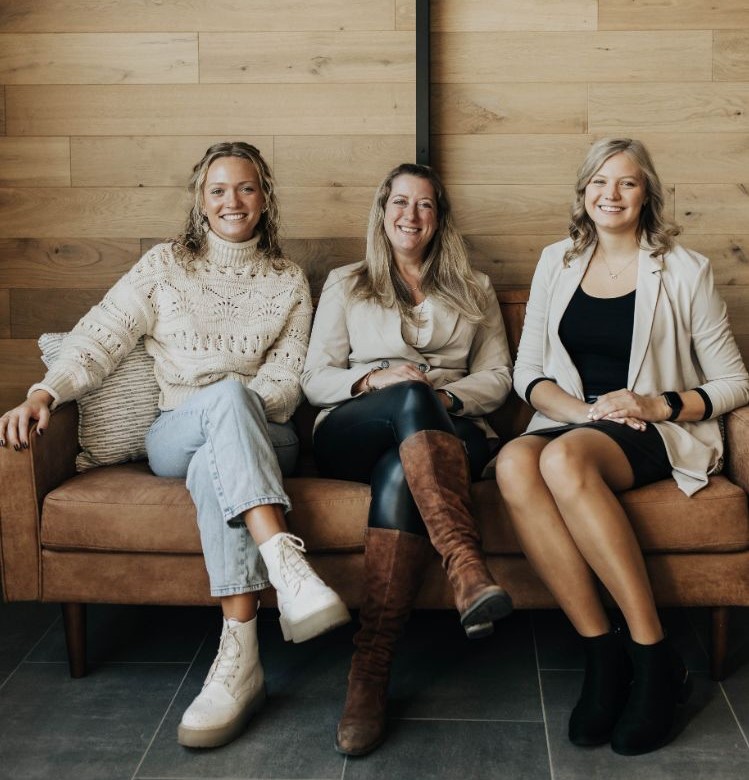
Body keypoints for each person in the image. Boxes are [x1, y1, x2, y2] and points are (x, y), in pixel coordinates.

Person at [0, 141, 350, 749]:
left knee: (223, 439)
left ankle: (238, 661)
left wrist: (229, 406)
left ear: (264, 199)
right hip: (173, 432)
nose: (231, 201)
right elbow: (101, 336)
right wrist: (45, 394)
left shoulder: (287, 279)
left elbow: (287, 384)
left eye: (245, 188)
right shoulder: (165, 267)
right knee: (220, 411)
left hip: (265, 435)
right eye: (218, 190)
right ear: (200, 201)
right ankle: (285, 565)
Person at [494, 137, 749, 756]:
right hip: (575, 421)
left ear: (647, 194)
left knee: (562, 457)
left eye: (627, 183)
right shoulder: (556, 260)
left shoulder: (685, 269)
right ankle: (603, 655)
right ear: (583, 193)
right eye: (599, 182)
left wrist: (651, 404)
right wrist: (586, 414)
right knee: (512, 461)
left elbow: (735, 382)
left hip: (654, 428)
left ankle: (655, 657)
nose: (611, 194)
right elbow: (528, 373)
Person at [301, 162, 514, 756]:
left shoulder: (473, 287)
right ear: (382, 210)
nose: (410, 215)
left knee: (404, 462)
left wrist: (442, 397)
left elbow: (498, 378)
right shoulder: (347, 283)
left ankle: (369, 672)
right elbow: (314, 378)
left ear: (439, 218)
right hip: (354, 429)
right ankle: (465, 567)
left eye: (424, 205)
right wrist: (377, 382)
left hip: (449, 429)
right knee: (410, 395)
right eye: (400, 202)